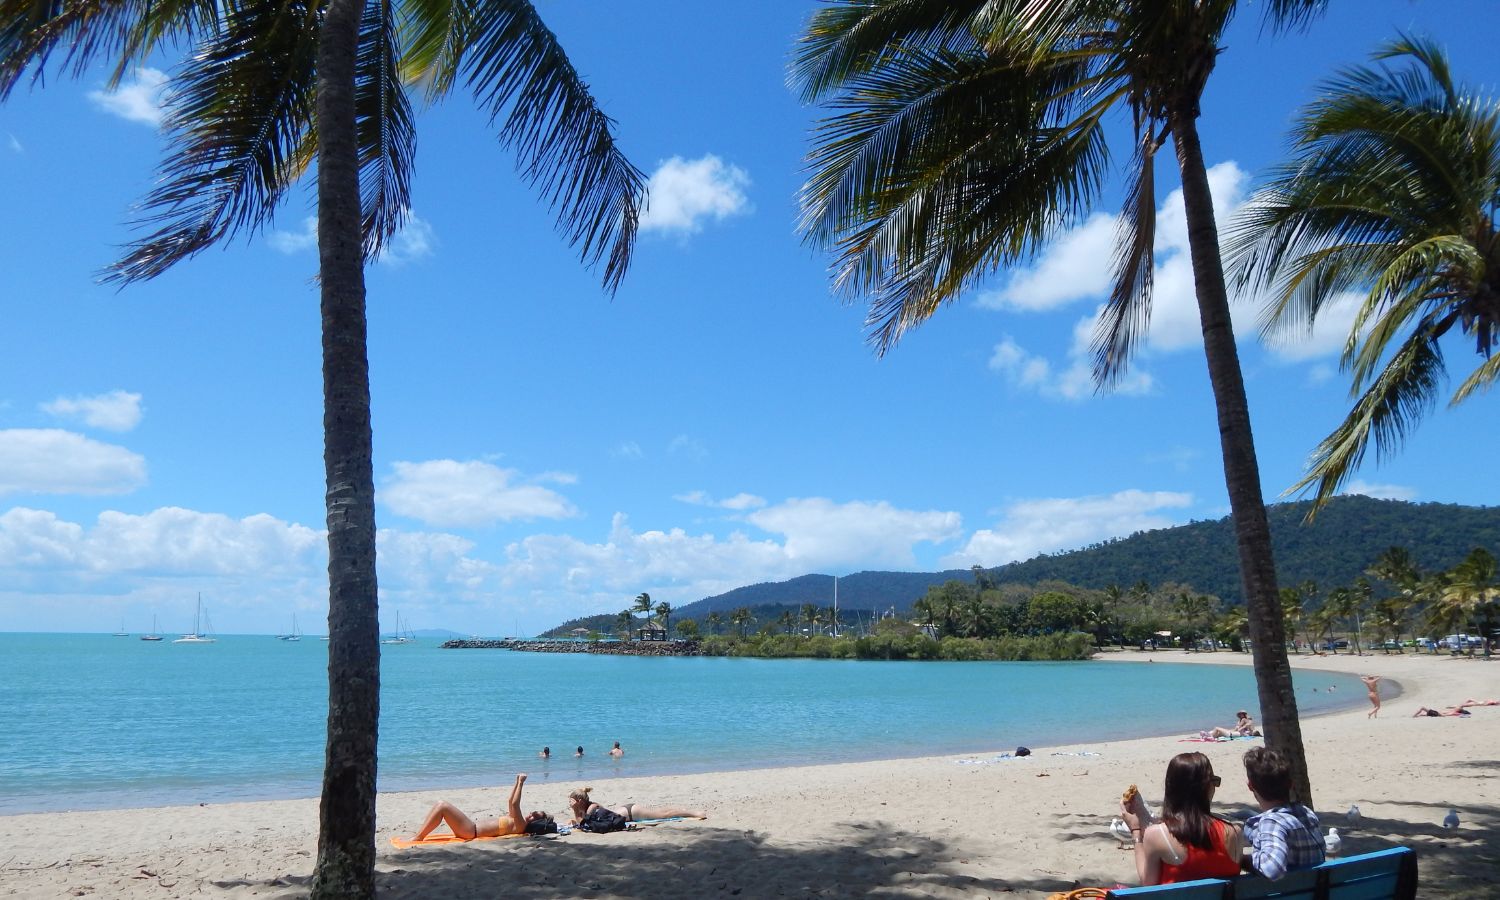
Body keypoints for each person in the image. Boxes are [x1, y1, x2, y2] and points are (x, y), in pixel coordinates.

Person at [1119, 752, 1243, 886]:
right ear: (1209, 788)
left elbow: (1147, 884)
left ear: (1170, 788)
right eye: (1214, 781)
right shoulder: (1234, 833)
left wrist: (1136, 831)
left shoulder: (1156, 836)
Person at [1241, 747, 1324, 880]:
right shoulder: (1307, 814)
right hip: (1318, 891)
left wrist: (1240, 860)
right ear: (1290, 784)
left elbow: (1272, 870)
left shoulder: (1271, 822)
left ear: (1250, 786)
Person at [407, 773, 552, 842]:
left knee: (442, 805)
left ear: (534, 822)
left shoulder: (521, 826)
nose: (530, 815)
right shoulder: (516, 820)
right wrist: (516, 782)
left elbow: (515, 804)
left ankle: (419, 836)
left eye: (534, 816)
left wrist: (521, 782)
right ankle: (420, 834)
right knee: (440, 805)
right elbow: (510, 801)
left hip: (471, 831)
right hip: (470, 828)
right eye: (532, 812)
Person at [566, 786, 706, 827]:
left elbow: (585, 825)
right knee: (661, 812)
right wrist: (575, 815)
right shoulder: (586, 808)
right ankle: (687, 811)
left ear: (579, 801)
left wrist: (575, 812)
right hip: (628, 811)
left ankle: (693, 813)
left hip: (632, 813)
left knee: (664, 815)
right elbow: (581, 822)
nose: (570, 803)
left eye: (572, 801)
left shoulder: (591, 808)